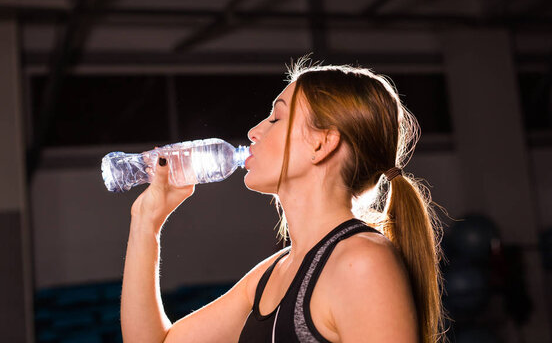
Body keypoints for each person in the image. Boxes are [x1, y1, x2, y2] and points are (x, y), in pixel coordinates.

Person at [121, 58, 449, 343]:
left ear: (321, 144)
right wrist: (146, 221)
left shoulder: (361, 263)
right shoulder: (272, 274)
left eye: (276, 118)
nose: (254, 131)